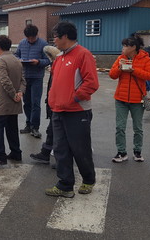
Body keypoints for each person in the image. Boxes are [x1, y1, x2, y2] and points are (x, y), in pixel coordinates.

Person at [45, 21, 99, 198]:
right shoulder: (59, 58)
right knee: (60, 149)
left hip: (77, 111)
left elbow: (91, 83)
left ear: (65, 37)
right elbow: (55, 84)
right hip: (58, 110)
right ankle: (65, 185)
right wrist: (53, 102)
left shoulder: (83, 55)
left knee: (80, 149)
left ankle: (88, 180)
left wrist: (74, 98)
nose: (54, 40)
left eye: (55, 36)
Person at [109, 36, 150, 163]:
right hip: (121, 98)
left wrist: (134, 71)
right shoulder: (121, 58)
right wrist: (119, 68)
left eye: (125, 46)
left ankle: (137, 151)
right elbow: (112, 75)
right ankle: (121, 152)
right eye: (123, 45)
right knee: (120, 127)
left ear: (133, 47)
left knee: (138, 128)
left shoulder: (145, 59)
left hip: (137, 99)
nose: (123, 48)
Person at [0, 35, 26, 168]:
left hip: (3, 102)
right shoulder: (16, 60)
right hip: (14, 102)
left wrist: (14, 94)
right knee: (12, 128)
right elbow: (23, 80)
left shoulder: (1, 61)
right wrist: (20, 92)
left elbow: (4, 80)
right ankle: (15, 152)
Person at [15, 24, 50, 138]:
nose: (30, 40)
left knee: (35, 103)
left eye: (32, 38)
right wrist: (19, 60)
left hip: (37, 77)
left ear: (36, 35)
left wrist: (39, 62)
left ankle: (35, 127)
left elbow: (48, 60)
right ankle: (28, 124)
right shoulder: (22, 43)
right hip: (25, 77)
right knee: (27, 102)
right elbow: (16, 55)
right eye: (28, 38)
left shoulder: (44, 44)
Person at [30, 45, 61, 165]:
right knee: (52, 131)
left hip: (60, 105)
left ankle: (60, 160)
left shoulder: (60, 65)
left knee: (57, 132)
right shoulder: (56, 66)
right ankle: (46, 154)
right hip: (54, 104)